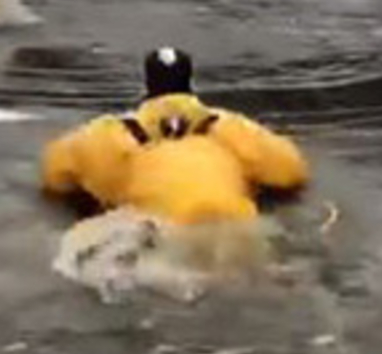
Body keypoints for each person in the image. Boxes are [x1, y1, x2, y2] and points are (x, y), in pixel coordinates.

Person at [40, 46, 310, 224]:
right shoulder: (228, 126)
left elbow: (54, 174)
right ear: (190, 82)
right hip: (232, 228)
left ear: (146, 85)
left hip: (157, 238)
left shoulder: (108, 135)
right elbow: (291, 171)